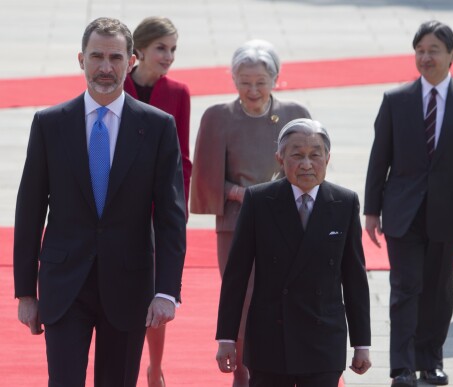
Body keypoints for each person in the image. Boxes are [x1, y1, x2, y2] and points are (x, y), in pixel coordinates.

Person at [13, 17, 187, 387]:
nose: (105, 68)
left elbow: (172, 215)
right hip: (64, 284)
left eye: (115, 58)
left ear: (131, 61)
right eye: (96, 57)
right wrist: (26, 292)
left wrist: (167, 291)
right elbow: (29, 211)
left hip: (129, 285)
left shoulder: (158, 127)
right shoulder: (50, 124)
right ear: (81, 59)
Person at [364, 21, 453, 386]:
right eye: (420, 50)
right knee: (406, 287)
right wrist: (371, 210)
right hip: (402, 211)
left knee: (439, 289)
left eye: (434, 50)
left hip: (450, 212)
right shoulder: (396, 101)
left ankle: (430, 360)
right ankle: (402, 366)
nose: (426, 57)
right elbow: (379, 158)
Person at [215, 118, 372, 386]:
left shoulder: (344, 203)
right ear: (280, 158)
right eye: (297, 155)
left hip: (323, 338)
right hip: (270, 338)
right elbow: (236, 275)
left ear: (328, 157)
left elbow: (355, 277)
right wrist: (226, 338)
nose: (307, 164)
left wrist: (362, 343)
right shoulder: (259, 200)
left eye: (315, 155)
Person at [190, 39, 310, 386]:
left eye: (260, 81)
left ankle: (279, 367)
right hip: (236, 222)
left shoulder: (294, 114)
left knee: (283, 297)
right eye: (245, 81)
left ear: (275, 79)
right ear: (233, 80)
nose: (253, 90)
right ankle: (241, 371)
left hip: (287, 221)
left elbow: (310, 168)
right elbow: (206, 178)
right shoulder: (218, 117)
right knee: (241, 299)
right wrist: (242, 194)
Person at [123, 16, 191, 387]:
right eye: (161, 48)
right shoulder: (115, 82)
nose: (168, 56)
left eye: (173, 49)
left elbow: (183, 156)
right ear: (140, 51)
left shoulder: (179, 92)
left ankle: (155, 366)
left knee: (156, 291)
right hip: (119, 208)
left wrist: (176, 210)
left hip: (159, 210)